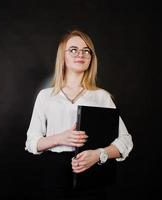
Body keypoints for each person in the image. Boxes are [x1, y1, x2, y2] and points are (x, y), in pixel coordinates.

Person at [25, 29, 133, 200]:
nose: (80, 54)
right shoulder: (46, 96)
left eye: (86, 51)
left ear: (91, 58)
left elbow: (125, 141)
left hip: (91, 173)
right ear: (63, 56)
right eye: (73, 49)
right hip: (54, 175)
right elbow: (32, 142)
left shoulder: (101, 97)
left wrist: (98, 154)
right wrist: (61, 138)